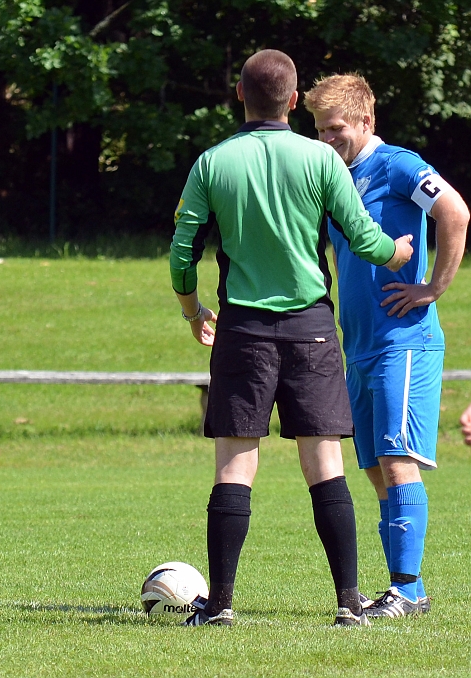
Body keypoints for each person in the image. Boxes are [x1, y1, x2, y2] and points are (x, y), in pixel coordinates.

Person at [170, 49, 413, 627]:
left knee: (234, 466)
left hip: (243, 330)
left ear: (239, 94)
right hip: (310, 331)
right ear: (295, 99)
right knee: (325, 463)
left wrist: (192, 308)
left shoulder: (212, 162)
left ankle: (221, 605)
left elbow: (183, 253)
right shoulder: (322, 160)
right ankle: (349, 605)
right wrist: (398, 253)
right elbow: (363, 237)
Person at [304, 74, 469, 618]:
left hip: (405, 341)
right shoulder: (335, 175)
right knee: (374, 466)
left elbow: (455, 212)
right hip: (361, 345)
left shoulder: (397, 164)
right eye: (320, 130)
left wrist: (433, 287)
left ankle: (407, 588)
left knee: (397, 460)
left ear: (366, 122)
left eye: (336, 129)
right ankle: (405, 588)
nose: (327, 140)